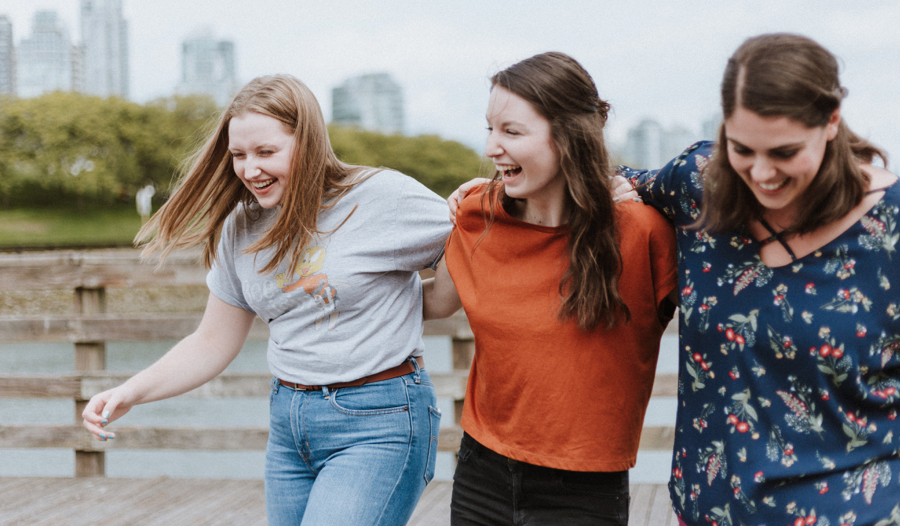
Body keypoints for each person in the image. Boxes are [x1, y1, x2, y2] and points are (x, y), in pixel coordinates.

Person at [82, 74, 451, 526]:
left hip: (379, 423)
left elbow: (471, 249)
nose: (249, 169)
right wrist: (130, 392)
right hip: (290, 428)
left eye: (266, 152)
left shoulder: (379, 198)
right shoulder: (241, 226)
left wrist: (420, 299)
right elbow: (212, 342)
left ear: (308, 143)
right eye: (238, 155)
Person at [612, 34, 900, 525]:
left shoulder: (890, 229)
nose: (761, 173)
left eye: (784, 152)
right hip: (705, 511)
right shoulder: (699, 181)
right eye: (741, 148)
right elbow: (608, 183)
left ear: (831, 122)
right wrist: (485, 199)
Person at [425, 52, 678, 526]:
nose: (492, 146)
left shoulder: (642, 232)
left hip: (584, 490)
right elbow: (436, 302)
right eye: (490, 129)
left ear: (568, 137)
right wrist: (330, 295)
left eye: (512, 132)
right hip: (482, 471)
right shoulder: (477, 215)